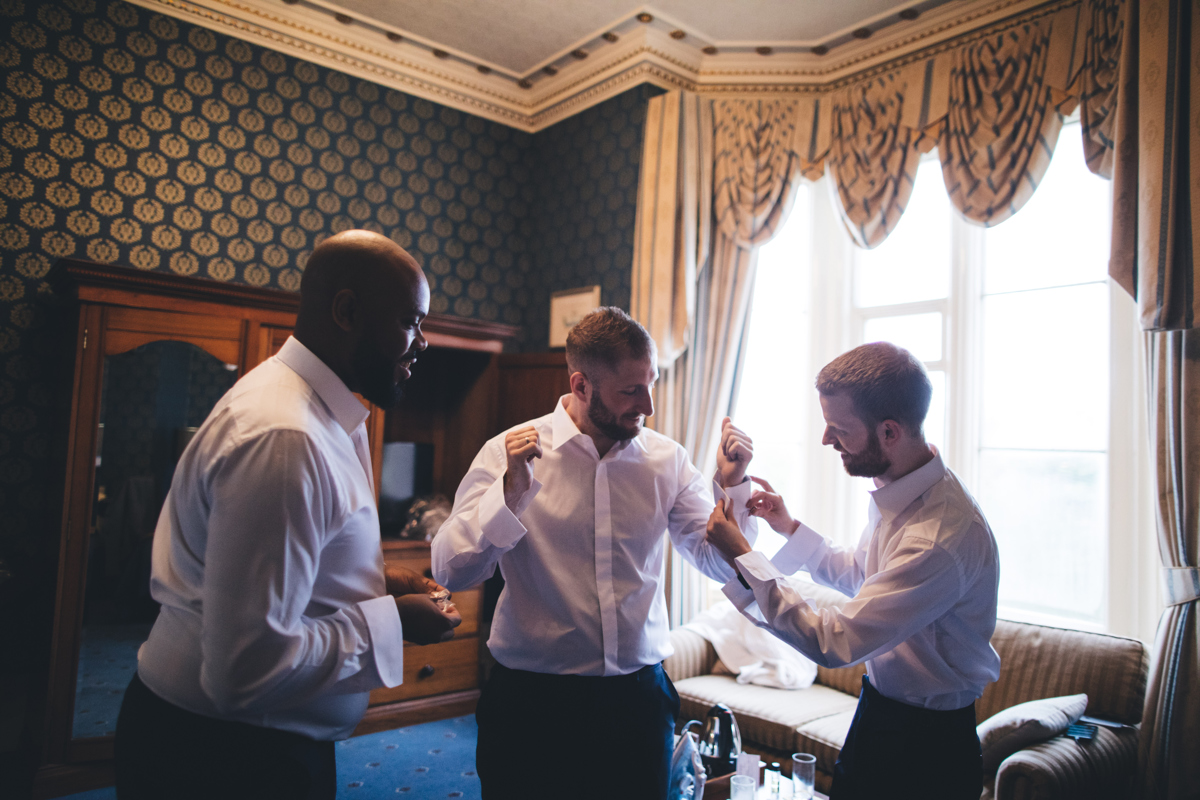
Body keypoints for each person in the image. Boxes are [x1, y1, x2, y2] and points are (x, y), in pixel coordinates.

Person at [114, 230, 462, 800]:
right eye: (410, 322)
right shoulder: (286, 436)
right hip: (222, 759)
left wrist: (376, 584)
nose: (422, 342)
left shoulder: (323, 415)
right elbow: (245, 670)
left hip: (255, 744)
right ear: (347, 311)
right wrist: (391, 623)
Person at [432, 307, 758, 800]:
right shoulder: (507, 452)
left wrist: (732, 486)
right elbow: (450, 570)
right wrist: (509, 499)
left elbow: (717, 562)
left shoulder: (666, 460)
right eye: (630, 390)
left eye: (650, 384)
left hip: (638, 701)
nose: (647, 404)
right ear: (581, 385)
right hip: (533, 702)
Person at [705, 342, 1000, 800]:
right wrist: (788, 527)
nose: (826, 439)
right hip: (879, 716)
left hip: (927, 749)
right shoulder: (902, 488)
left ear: (889, 432)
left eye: (838, 428)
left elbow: (833, 641)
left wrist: (744, 554)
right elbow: (863, 572)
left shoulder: (939, 536)